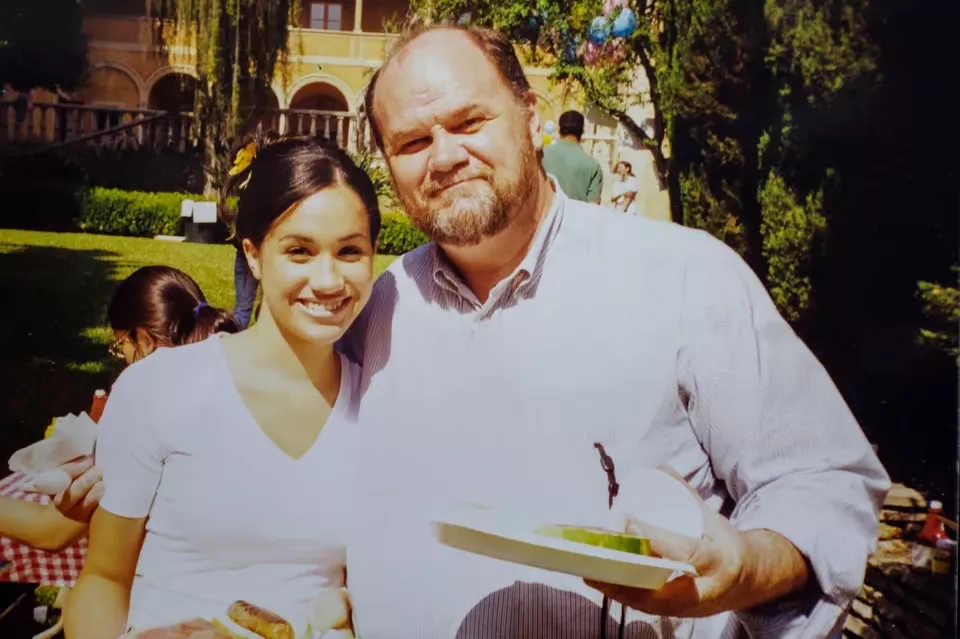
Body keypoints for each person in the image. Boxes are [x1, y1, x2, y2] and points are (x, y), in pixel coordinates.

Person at [340, 24, 891, 639]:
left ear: (530, 114)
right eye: (413, 141)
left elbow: (819, 477)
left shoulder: (684, 278)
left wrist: (744, 567)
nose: (444, 156)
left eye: (469, 122)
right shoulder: (379, 305)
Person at [63, 135, 379, 639]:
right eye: (299, 250)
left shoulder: (380, 408)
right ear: (253, 255)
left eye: (349, 251)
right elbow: (103, 577)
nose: (327, 280)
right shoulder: (158, 388)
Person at [0, 266, 238, 579]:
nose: (121, 361)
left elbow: (52, 531)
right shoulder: (229, 379)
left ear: (144, 338)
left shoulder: (146, 402)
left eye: (120, 347)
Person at [541, 109, 603, 203]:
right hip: (577, 217)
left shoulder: (540, 156)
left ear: (558, 129)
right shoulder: (593, 166)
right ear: (582, 131)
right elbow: (593, 207)